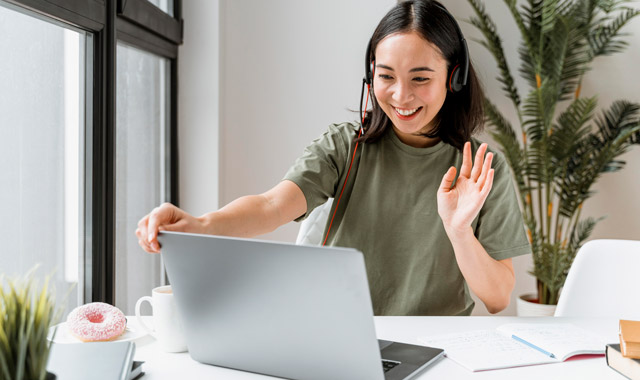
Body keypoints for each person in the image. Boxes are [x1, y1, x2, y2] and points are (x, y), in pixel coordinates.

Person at [136, 0, 531, 316]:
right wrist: (199, 225)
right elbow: (272, 205)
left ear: (454, 77)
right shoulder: (346, 146)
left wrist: (459, 231)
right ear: (371, 73)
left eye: (421, 78)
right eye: (386, 76)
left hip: (437, 346)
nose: (400, 95)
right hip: (340, 330)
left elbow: (497, 299)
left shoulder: (479, 170)